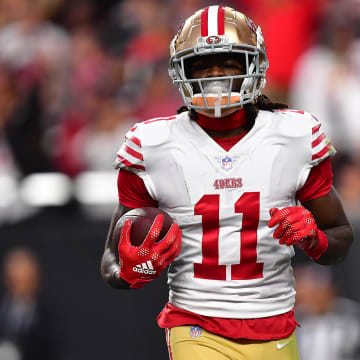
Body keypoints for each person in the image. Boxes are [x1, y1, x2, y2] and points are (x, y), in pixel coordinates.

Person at [101, 5, 354, 360]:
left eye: (228, 61)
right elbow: (111, 263)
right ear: (181, 71)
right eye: (202, 64)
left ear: (255, 66)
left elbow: (341, 239)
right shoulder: (152, 145)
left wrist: (314, 237)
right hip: (195, 324)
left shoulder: (295, 135)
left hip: (275, 324)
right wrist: (132, 268)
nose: (215, 74)